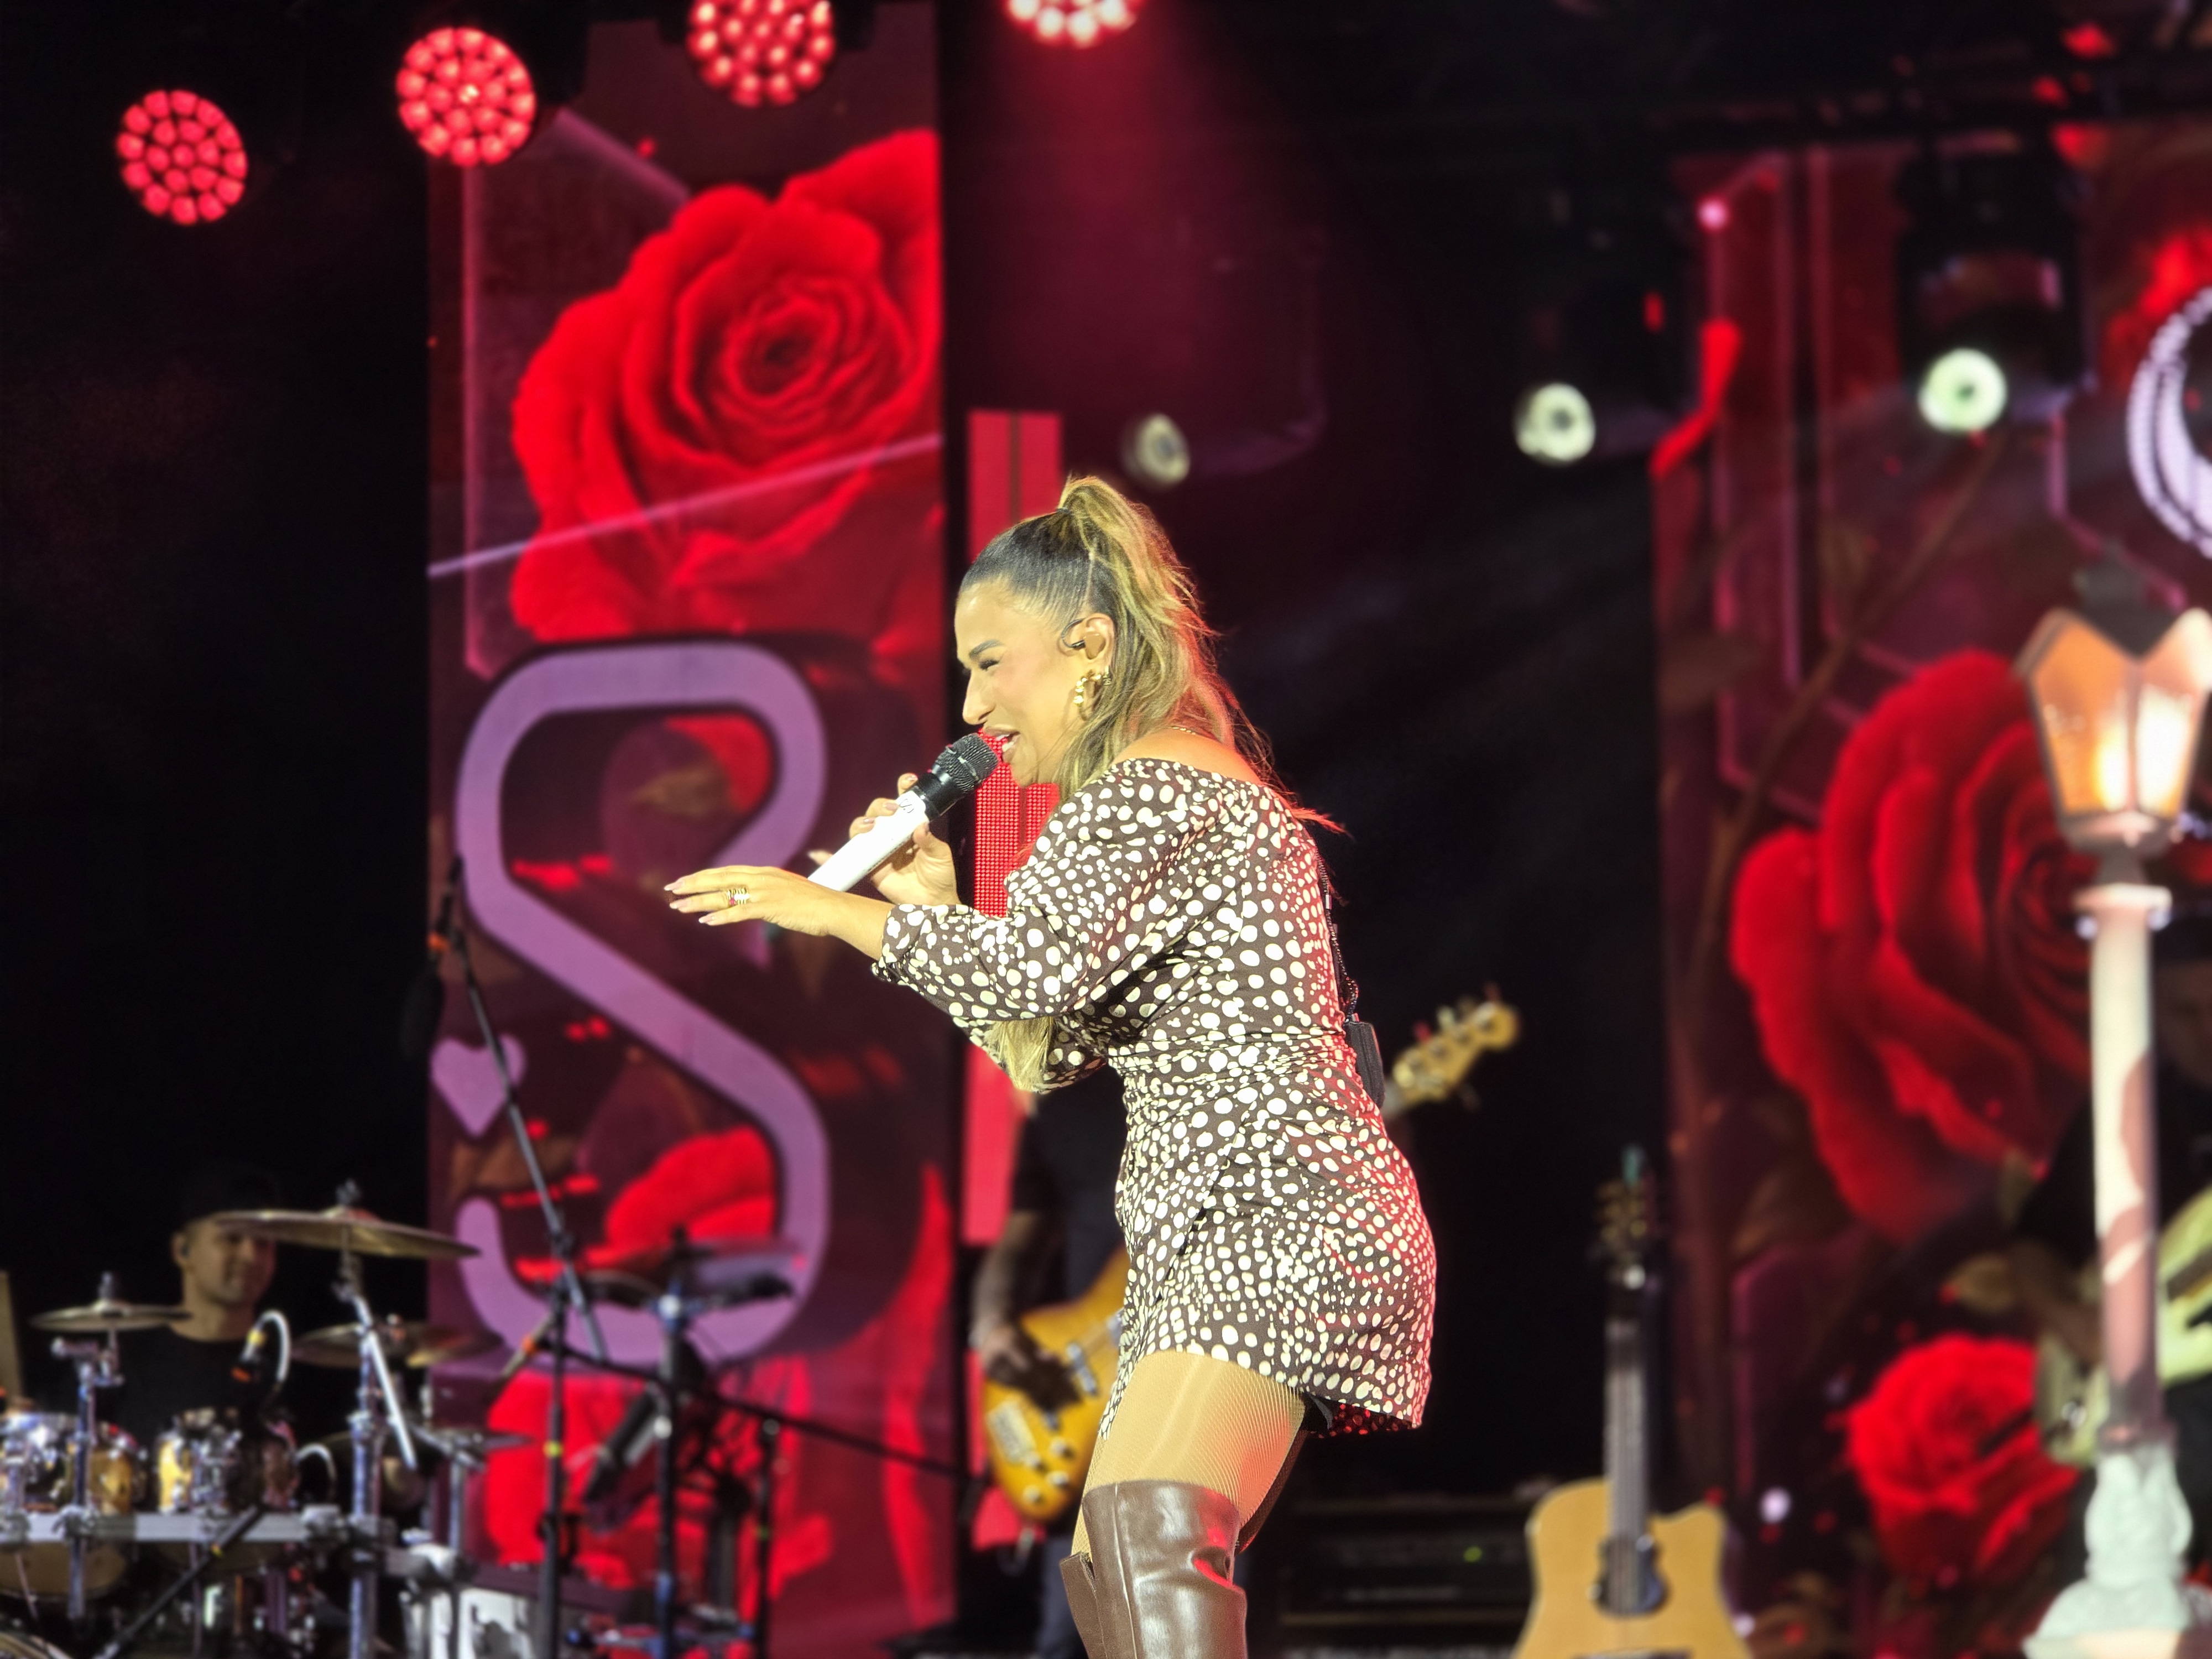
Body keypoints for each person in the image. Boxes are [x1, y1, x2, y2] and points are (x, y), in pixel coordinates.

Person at [667, 476, 1436, 1656]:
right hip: (1220, 1234)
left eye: (990, 665)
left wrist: (828, 911)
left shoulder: (1154, 781)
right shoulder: (1151, 790)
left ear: (1089, 648)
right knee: (1110, 1574)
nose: (972, 707)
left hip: (1272, 1217)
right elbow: (1047, 1044)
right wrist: (933, 908)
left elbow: (1026, 976)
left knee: (1145, 1539)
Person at [2011, 910, 2212, 1554]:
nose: (2207, 1033)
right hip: (2146, 1408)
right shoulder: (2126, 1113)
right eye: (2185, 1013)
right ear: (2154, 1017)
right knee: (2101, 1568)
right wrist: (2072, 1319)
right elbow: (2034, 1245)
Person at [971, 1066, 1128, 1659]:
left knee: (1200, 1619)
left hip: (1206, 1379)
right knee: (1070, 1636)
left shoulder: (1226, 1070)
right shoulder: (1064, 1099)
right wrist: (992, 1325)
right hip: (1084, 1397)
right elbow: (1022, 1233)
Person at [105, 1160, 288, 1448]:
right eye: (232, 1238)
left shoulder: (286, 1366)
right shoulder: (124, 1365)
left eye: (263, 1242)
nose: (251, 1255)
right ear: (183, 1251)